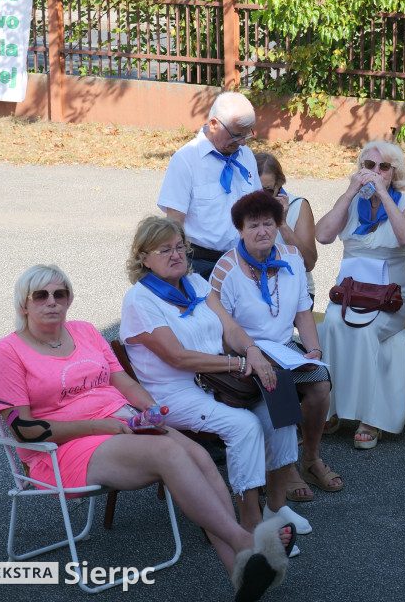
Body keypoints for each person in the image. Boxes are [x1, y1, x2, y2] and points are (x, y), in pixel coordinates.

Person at [0, 264, 294, 601]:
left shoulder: (86, 331)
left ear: (69, 299)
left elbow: (124, 383)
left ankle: (241, 580)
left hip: (123, 424)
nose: (52, 302)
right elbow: (24, 431)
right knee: (171, 454)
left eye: (60, 294)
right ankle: (245, 544)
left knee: (200, 458)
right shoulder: (7, 353)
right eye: (40, 295)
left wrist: (149, 411)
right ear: (23, 305)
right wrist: (99, 426)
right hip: (62, 450)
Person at [119, 216, 312, 545]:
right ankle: (250, 523)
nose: (176, 254)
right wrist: (236, 363)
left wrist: (250, 350)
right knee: (245, 426)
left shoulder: (194, 283)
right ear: (143, 258)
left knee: (280, 403)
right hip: (175, 393)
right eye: (164, 249)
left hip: (218, 381)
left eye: (180, 246)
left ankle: (275, 508)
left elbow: (230, 327)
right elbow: (177, 357)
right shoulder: (140, 301)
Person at [210, 190, 341, 500]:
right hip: (243, 354)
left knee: (321, 385)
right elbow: (222, 330)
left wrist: (314, 350)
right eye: (253, 225)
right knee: (279, 389)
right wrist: (252, 352)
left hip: (284, 349)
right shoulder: (226, 269)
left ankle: (310, 457)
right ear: (239, 230)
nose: (262, 231)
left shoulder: (293, 258)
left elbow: (302, 311)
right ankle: (287, 469)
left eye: (268, 223)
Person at [315, 141, 405, 449]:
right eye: (369, 166)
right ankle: (332, 407)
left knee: (366, 331)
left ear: (394, 173)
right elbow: (322, 236)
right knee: (333, 323)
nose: (375, 173)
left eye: (383, 167)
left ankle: (369, 416)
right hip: (351, 294)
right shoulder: (351, 201)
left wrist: (383, 195)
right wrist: (351, 192)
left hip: (391, 297)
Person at [158, 91, 261, 278]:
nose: (243, 143)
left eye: (247, 135)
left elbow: (257, 210)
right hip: (199, 265)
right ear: (214, 124)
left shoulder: (246, 157)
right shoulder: (185, 160)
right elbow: (174, 223)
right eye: (237, 135)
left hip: (243, 261)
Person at [255, 152, 318, 308]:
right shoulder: (241, 207)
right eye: (255, 189)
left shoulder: (298, 205)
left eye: (267, 190)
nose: (261, 197)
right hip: (253, 285)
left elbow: (309, 263)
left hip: (294, 288)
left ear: (279, 185)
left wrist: (282, 223)